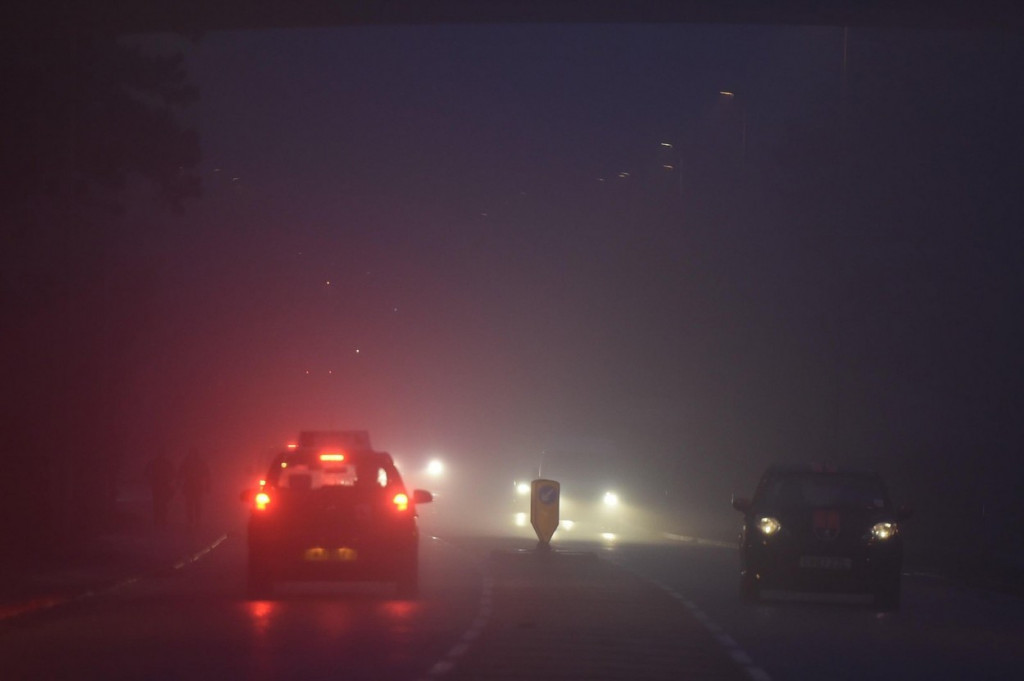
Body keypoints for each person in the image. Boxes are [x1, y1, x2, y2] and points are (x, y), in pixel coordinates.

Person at [179, 447, 210, 528]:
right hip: (189, 486)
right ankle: (190, 520)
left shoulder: (200, 463)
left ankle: (197, 520)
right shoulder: (187, 462)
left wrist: (207, 485)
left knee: (197, 504)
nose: (192, 455)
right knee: (189, 504)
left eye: (194, 453)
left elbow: (207, 474)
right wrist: (179, 483)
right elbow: (181, 473)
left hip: (197, 486)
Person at [144, 451, 175, 529]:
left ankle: (159, 520)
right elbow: (173, 472)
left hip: (159, 486)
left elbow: (146, 471)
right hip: (159, 486)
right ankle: (160, 520)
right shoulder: (163, 463)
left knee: (159, 503)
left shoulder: (156, 463)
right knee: (160, 504)